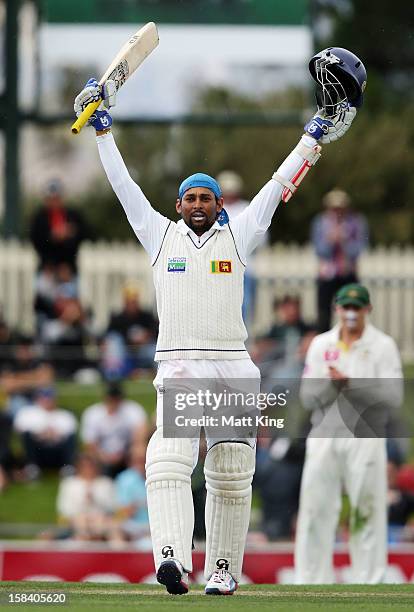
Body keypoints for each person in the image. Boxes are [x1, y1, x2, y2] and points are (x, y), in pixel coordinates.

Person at [73, 52, 360, 595]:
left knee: (230, 473)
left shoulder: (242, 232)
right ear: (179, 204)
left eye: (207, 197)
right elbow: (123, 187)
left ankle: (223, 572)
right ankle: (172, 561)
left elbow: (280, 183)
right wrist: (102, 132)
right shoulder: (159, 236)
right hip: (180, 365)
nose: (199, 204)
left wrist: (315, 133)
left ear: (219, 202)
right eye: (190, 197)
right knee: (169, 459)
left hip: (230, 365)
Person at [295, 283, 403, 583]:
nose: (351, 313)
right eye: (346, 307)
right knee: (316, 509)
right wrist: (332, 385)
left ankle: (369, 580)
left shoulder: (382, 345)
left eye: (357, 307)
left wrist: (352, 383)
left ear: (368, 309)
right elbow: (307, 398)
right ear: (337, 309)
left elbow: (393, 397)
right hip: (324, 435)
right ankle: (310, 580)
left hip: (365, 437)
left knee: (366, 509)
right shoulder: (321, 345)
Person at [311, 189, 368, 332]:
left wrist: (344, 242)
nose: (337, 212)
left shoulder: (356, 222)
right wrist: (330, 240)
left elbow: (359, 248)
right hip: (327, 274)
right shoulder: (320, 222)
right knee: (324, 314)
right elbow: (319, 250)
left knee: (351, 310)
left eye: (340, 208)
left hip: (347, 273)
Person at [217, 170, 268, 327]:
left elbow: (261, 237)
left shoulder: (246, 208)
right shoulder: (214, 209)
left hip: (244, 268)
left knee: (243, 309)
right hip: (217, 267)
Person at [81, 382, 148, 477]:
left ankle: (137, 479)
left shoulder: (133, 410)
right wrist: (104, 456)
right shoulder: (93, 414)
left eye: (116, 398)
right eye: (111, 398)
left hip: (126, 452)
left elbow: (141, 435)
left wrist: (126, 452)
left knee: (139, 449)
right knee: (88, 455)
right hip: (102, 454)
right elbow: (90, 444)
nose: (113, 401)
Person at [14, 386, 77, 478]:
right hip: (38, 450)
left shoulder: (65, 415)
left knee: (70, 438)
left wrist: (55, 435)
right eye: (44, 397)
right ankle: (32, 468)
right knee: (27, 436)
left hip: (57, 450)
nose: (47, 400)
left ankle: (67, 467)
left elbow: (71, 434)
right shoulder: (27, 412)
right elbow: (20, 430)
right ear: (38, 398)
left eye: (50, 398)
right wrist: (41, 434)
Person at [30, 179, 90, 274]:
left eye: (57, 198)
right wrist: (52, 236)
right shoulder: (40, 219)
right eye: (51, 199)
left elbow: (84, 234)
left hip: (68, 271)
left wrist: (71, 233)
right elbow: (37, 241)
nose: (54, 202)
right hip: (47, 270)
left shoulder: (72, 216)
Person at [103, 282, 158, 378]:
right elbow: (108, 336)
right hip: (125, 350)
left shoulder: (146, 316)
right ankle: (113, 376)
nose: (132, 304)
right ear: (125, 302)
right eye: (129, 301)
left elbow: (156, 333)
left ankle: (161, 375)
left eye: (134, 301)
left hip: (144, 349)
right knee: (113, 341)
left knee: (154, 349)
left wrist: (147, 336)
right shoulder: (117, 318)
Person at [56, 453, 116, 541]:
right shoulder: (69, 484)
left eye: (91, 466)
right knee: (82, 521)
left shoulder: (106, 483)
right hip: (76, 519)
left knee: (100, 522)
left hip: (101, 519)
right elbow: (64, 508)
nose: (88, 469)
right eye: (84, 466)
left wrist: (95, 500)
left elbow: (112, 507)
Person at [114, 445, 150, 543]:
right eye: (138, 460)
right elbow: (123, 512)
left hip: (156, 525)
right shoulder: (125, 479)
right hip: (133, 526)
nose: (142, 463)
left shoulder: (159, 475)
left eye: (144, 459)